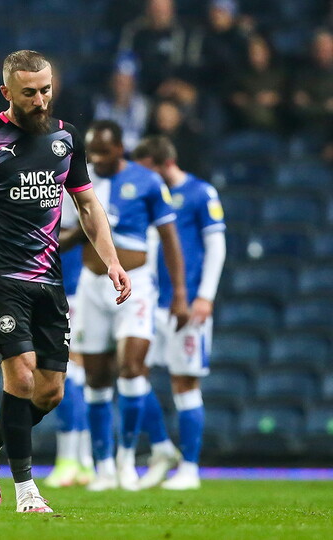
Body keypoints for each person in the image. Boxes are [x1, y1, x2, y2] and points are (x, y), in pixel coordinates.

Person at [0, 50, 130, 513]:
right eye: (29, 92)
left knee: (50, 391)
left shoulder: (66, 138)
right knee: (21, 376)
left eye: (46, 89)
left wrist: (112, 261)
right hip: (1, 275)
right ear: (6, 92)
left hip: (49, 277)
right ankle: (27, 491)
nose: (40, 99)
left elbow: (87, 206)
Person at [72, 120, 188, 492]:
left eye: (102, 152)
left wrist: (180, 293)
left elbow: (170, 239)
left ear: (120, 148)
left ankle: (126, 461)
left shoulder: (148, 182)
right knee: (95, 378)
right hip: (91, 286)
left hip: (135, 287)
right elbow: (80, 231)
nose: (96, 159)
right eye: (91, 152)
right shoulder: (80, 180)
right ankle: (103, 466)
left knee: (132, 367)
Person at [132, 136, 225, 490]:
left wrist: (205, 296)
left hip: (188, 305)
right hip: (152, 300)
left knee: (184, 384)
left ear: (160, 164)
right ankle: (162, 448)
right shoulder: (152, 197)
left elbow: (216, 246)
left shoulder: (202, 193)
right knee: (133, 374)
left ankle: (189, 468)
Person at [43, 192, 95, 489]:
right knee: (73, 375)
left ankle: (71, 460)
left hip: (74, 290)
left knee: (68, 373)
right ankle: (85, 460)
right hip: (56, 289)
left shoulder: (72, 187)